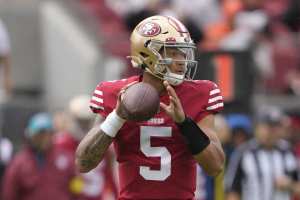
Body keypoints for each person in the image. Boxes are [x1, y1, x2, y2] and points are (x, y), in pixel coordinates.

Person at [76, 15, 225, 199]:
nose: (181, 60)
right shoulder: (116, 93)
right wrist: (118, 116)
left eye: (183, 51)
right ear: (147, 55)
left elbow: (215, 166)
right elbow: (83, 162)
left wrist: (185, 123)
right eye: (172, 52)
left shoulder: (200, 93)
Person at [225, 108, 300, 200]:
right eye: (269, 126)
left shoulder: (288, 151)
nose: (273, 131)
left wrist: (289, 185)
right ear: (257, 128)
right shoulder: (244, 152)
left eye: (276, 127)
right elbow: (233, 190)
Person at [2, 113, 78, 200]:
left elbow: (77, 186)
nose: (44, 138)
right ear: (31, 135)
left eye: (48, 134)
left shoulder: (66, 159)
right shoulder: (19, 162)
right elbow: (9, 192)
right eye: (40, 134)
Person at [55, 95, 118, 200]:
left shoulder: (101, 144)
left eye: (86, 121)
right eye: (81, 121)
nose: (84, 125)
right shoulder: (62, 143)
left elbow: (108, 175)